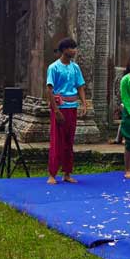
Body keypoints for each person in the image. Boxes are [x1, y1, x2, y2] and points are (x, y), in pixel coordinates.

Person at [46, 37, 87, 185]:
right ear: (64, 50)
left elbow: (80, 86)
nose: (74, 51)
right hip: (60, 107)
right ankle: (52, 173)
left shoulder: (75, 67)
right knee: (57, 140)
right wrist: (56, 110)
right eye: (71, 48)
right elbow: (49, 89)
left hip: (72, 106)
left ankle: (67, 173)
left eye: (75, 48)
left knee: (69, 140)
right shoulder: (54, 67)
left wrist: (84, 104)